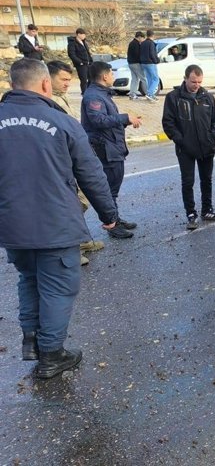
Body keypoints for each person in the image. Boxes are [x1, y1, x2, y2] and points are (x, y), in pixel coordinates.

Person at [0, 58, 119, 378]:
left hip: (13, 226)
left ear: (13, 84)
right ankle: (52, 354)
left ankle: (32, 341)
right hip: (55, 223)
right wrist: (109, 214)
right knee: (57, 287)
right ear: (44, 85)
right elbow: (91, 174)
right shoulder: (62, 122)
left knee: (29, 279)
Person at [47, 60, 107, 265]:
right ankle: (71, 248)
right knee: (71, 205)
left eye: (68, 80)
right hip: (62, 163)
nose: (67, 84)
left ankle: (80, 240)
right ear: (48, 78)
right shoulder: (47, 102)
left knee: (80, 200)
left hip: (74, 159)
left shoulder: (61, 98)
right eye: (63, 79)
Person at [81, 61, 142, 238]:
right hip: (105, 148)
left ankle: (115, 218)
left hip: (112, 146)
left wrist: (127, 121)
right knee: (109, 188)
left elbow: (108, 120)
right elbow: (98, 120)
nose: (113, 76)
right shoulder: (94, 96)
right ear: (104, 76)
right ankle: (111, 224)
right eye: (111, 73)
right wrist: (124, 117)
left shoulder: (101, 94)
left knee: (113, 186)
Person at [162, 64, 215, 230]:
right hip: (185, 149)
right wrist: (180, 140)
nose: (196, 85)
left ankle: (207, 210)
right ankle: (191, 214)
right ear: (185, 79)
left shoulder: (208, 97)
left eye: (199, 82)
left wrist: (212, 137)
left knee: (207, 179)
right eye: (193, 81)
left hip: (206, 147)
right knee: (188, 181)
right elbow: (168, 123)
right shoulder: (173, 97)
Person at [67, 28, 93, 93]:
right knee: (83, 79)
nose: (84, 36)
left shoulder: (84, 42)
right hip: (81, 65)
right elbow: (71, 54)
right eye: (83, 35)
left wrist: (90, 60)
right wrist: (80, 62)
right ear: (78, 34)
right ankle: (84, 92)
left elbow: (87, 53)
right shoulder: (72, 43)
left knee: (91, 78)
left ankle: (89, 91)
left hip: (88, 63)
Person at [126, 31, 147, 101]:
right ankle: (149, 93)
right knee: (143, 78)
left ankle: (132, 94)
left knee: (134, 79)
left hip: (130, 63)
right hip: (136, 63)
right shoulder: (136, 44)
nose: (143, 40)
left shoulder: (131, 43)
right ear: (139, 37)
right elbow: (138, 55)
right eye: (143, 38)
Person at [140, 30, 160, 102]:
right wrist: (156, 60)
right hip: (150, 63)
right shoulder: (151, 43)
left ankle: (150, 95)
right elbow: (152, 53)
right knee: (156, 79)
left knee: (149, 79)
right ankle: (150, 94)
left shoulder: (143, 43)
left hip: (143, 63)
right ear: (153, 35)